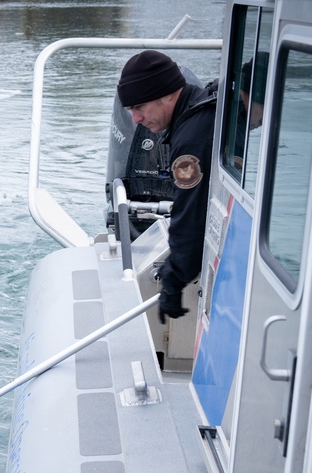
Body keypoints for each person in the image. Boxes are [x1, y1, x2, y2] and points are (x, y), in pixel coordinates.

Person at [117, 50, 216, 324]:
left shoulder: (191, 139)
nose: (136, 119)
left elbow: (191, 213)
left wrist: (173, 280)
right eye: (130, 110)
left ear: (168, 95)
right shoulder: (200, 107)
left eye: (139, 108)